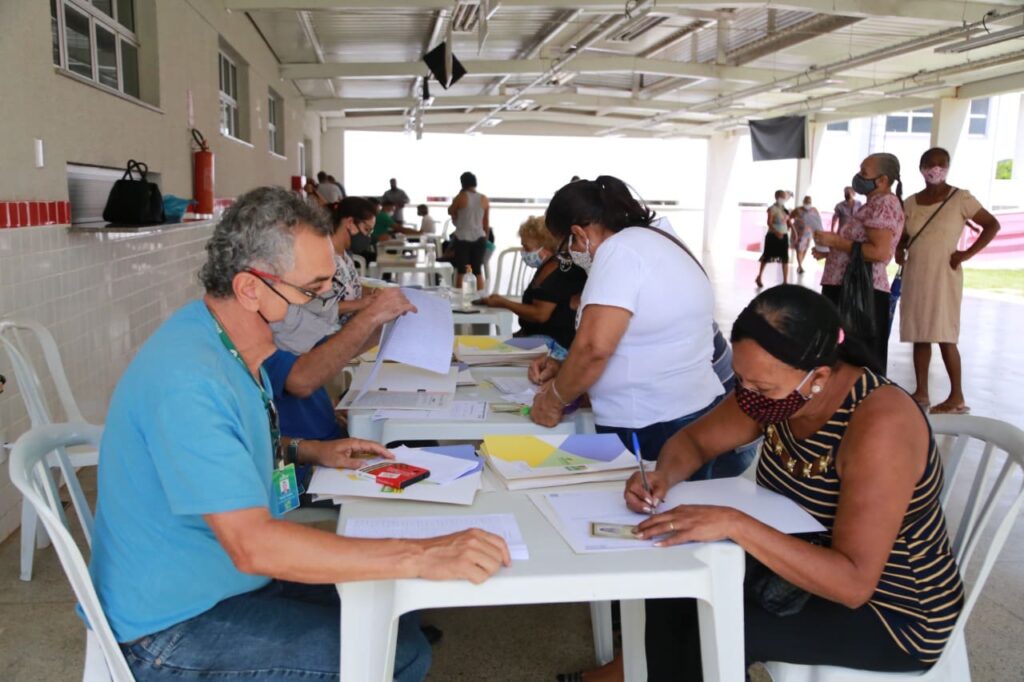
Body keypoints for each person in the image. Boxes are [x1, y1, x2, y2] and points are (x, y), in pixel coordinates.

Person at [89, 186, 510, 681]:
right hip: (172, 624)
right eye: (312, 291)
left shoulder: (228, 343)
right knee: (398, 651)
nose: (326, 307)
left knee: (399, 604)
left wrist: (309, 449)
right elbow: (254, 546)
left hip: (225, 579)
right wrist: (423, 551)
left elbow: (228, 445)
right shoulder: (189, 380)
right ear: (250, 288)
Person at [621, 285, 963, 681]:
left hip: (893, 612)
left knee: (703, 629)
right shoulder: (775, 392)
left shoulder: (879, 425)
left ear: (818, 376)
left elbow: (853, 583)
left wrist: (735, 523)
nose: (747, 396)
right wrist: (663, 475)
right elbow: (694, 441)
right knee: (673, 591)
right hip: (801, 571)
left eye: (761, 388)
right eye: (741, 380)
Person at [527, 176, 754, 476]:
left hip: (655, 427)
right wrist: (566, 368)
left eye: (567, 248)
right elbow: (641, 339)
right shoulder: (657, 240)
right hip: (689, 415)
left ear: (579, 233)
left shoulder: (618, 251)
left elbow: (594, 349)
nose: (571, 256)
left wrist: (553, 399)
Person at [898, 147, 1001, 415]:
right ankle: (921, 392)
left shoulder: (960, 198)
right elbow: (906, 234)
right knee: (919, 333)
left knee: (944, 334)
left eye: (941, 164)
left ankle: (956, 396)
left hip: (944, 274)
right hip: (917, 275)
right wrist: (900, 248)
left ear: (948, 167)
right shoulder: (910, 202)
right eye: (930, 164)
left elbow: (992, 225)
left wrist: (965, 254)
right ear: (921, 168)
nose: (935, 169)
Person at [814, 153, 904, 373]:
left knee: (856, 358)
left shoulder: (884, 204)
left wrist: (836, 241)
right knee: (841, 353)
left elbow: (879, 252)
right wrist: (832, 252)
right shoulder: (873, 204)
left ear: (882, 180)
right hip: (849, 287)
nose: (858, 177)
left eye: (864, 173)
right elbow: (859, 245)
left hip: (860, 292)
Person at [479, 216, 587, 351]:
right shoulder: (549, 267)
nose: (522, 252)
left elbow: (540, 314)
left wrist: (503, 302)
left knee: (484, 351)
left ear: (545, 247)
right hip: (538, 337)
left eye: (526, 247)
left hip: (553, 343)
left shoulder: (559, 270)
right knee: (483, 347)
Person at [448, 171, 490, 290]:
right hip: (480, 237)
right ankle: (480, 298)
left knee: (462, 270)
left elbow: (450, 210)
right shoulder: (484, 198)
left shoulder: (461, 197)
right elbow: (486, 222)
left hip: (463, 237)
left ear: (462, 183)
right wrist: (485, 238)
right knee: (477, 271)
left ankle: (459, 299)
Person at [756, 190, 792, 288]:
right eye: (782, 197)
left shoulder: (785, 209)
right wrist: (776, 232)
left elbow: (789, 222)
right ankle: (759, 276)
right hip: (773, 236)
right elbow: (769, 222)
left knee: (785, 258)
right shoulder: (772, 209)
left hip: (784, 236)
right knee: (767, 257)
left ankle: (785, 281)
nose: (784, 199)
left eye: (784, 197)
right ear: (777, 197)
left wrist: (794, 231)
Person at [790, 196, 821, 275]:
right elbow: (789, 218)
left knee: (805, 249)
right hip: (798, 233)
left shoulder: (814, 210)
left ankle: (800, 265)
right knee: (799, 249)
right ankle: (800, 266)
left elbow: (818, 220)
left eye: (809, 202)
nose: (808, 203)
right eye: (806, 202)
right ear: (803, 202)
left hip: (809, 234)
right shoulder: (798, 210)